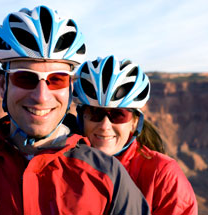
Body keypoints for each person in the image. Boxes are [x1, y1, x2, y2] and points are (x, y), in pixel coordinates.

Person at [0, 6, 150, 215]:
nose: (41, 97)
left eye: (56, 80)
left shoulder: (109, 177)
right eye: (25, 78)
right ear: (3, 85)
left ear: (70, 88)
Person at [73, 55, 198, 215]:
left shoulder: (162, 175)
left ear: (134, 121)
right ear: (81, 116)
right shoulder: (61, 164)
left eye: (118, 115)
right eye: (95, 113)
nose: (105, 126)